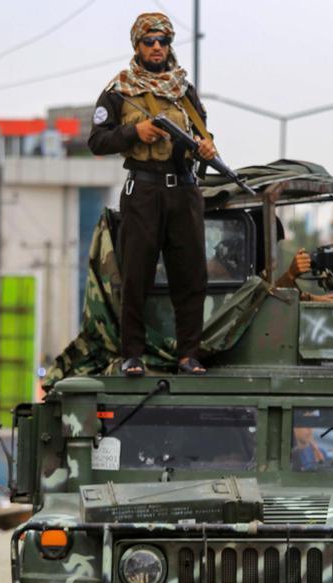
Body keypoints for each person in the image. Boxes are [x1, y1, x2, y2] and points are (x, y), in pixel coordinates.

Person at [88, 11, 216, 377]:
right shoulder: (119, 89)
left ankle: (188, 354)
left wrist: (207, 147)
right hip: (143, 188)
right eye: (150, 41)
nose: (157, 47)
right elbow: (97, 140)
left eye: (163, 41)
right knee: (137, 275)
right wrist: (135, 132)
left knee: (191, 276)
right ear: (137, 45)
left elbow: (203, 133)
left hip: (183, 189)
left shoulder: (183, 90)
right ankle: (133, 355)